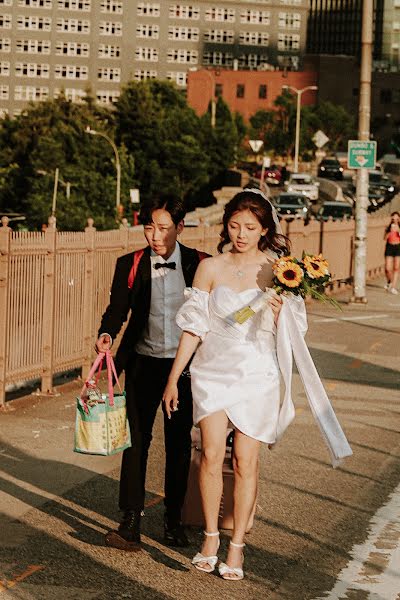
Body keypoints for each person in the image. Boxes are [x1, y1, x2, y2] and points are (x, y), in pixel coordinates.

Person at [163, 189, 352, 581]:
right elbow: (194, 326)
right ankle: (211, 538)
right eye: (234, 226)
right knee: (212, 454)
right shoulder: (210, 268)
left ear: (265, 228)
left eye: (250, 227)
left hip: (257, 373)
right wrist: (173, 378)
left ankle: (236, 547)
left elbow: (295, 332)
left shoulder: (280, 270)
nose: (241, 234)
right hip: (212, 371)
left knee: (245, 460)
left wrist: (284, 313)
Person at [96, 194, 208, 551]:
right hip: (143, 363)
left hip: (183, 367)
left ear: (180, 227)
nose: (155, 236)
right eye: (149, 227)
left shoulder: (199, 264)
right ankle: (130, 520)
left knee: (177, 445)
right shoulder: (129, 264)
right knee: (135, 442)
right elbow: (117, 310)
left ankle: (173, 521)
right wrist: (106, 334)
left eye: (163, 228)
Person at [384, 211, 400, 295]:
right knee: (387, 268)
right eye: (393, 218)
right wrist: (390, 231)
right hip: (389, 247)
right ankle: (389, 281)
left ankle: (393, 287)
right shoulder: (389, 227)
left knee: (396, 268)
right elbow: (384, 238)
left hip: (398, 247)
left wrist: (398, 231)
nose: (395, 219)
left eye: (397, 218)